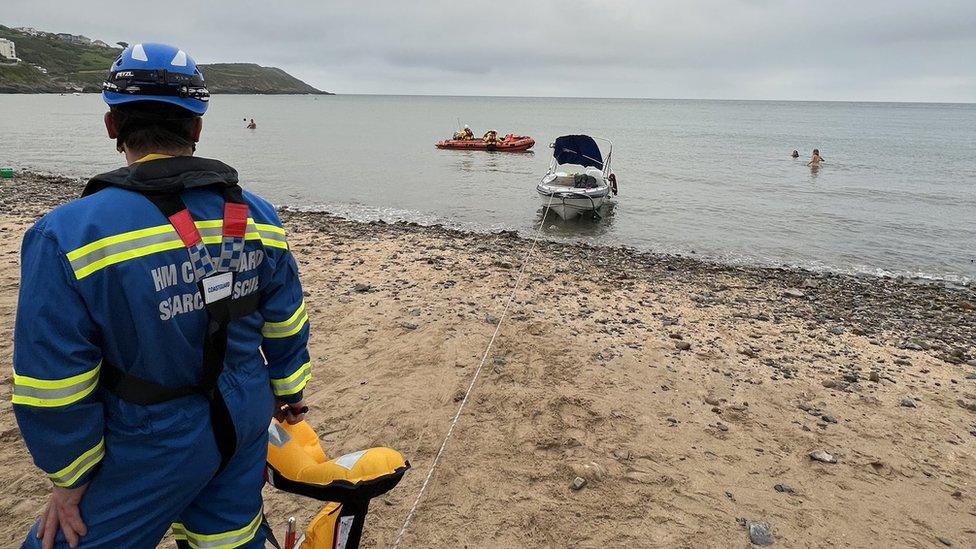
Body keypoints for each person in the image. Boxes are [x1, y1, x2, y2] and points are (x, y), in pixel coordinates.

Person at [12, 42, 312, 548]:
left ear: (112, 126)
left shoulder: (67, 234)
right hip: (244, 415)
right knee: (229, 540)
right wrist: (288, 394)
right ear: (196, 128)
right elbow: (285, 322)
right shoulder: (259, 216)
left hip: (148, 434)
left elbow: (53, 379)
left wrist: (71, 477)